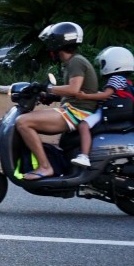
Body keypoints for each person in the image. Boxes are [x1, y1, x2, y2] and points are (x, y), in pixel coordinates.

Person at [14, 22, 99, 180]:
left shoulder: (76, 62)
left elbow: (74, 89)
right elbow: (76, 91)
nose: (49, 47)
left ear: (59, 42)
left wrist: (47, 88)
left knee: (23, 122)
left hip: (77, 113)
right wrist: (52, 96)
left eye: (51, 42)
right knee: (27, 120)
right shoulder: (72, 62)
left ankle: (45, 167)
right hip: (73, 110)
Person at [69, 46, 134, 167]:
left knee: (84, 125)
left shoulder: (115, 79)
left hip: (106, 111)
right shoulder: (122, 79)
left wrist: (85, 97)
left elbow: (106, 95)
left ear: (114, 63)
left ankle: (84, 156)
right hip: (108, 109)